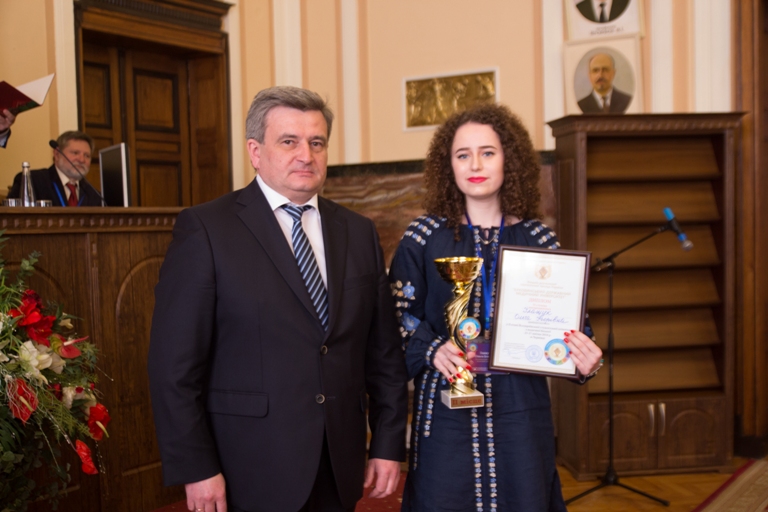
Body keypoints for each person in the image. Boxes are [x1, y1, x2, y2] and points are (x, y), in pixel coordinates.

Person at [148, 86, 408, 512]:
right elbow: (173, 367)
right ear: (255, 151)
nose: (306, 155)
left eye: (317, 142)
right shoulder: (206, 229)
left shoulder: (358, 231)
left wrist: (387, 443)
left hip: (339, 463)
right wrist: (195, 466)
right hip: (249, 468)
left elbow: (384, 356)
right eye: (289, 141)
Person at [389, 103, 603, 511]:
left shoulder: (538, 239)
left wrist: (586, 361)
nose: (475, 164)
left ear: (510, 159)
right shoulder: (423, 236)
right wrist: (432, 349)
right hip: (446, 411)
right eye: (462, 154)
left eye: (487, 152)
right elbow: (395, 316)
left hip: (521, 411)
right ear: (448, 165)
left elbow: (573, 330)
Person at [9, 130, 103, 206]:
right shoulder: (32, 181)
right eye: (75, 153)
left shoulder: (94, 195)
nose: (82, 160)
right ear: (57, 154)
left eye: (87, 156)